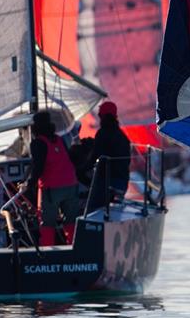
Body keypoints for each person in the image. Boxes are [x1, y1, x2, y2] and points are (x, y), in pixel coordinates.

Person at [25, 111, 81, 246]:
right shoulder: (60, 139)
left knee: (47, 223)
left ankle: (47, 253)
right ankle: (74, 250)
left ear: (35, 126)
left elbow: (38, 167)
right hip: (71, 185)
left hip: (52, 189)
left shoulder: (37, 143)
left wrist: (28, 183)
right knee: (71, 221)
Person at [87, 101, 131, 210]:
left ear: (102, 116)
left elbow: (94, 158)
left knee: (92, 211)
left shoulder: (102, 133)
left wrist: (79, 170)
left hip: (105, 184)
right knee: (113, 213)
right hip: (122, 182)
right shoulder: (122, 137)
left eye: (99, 115)